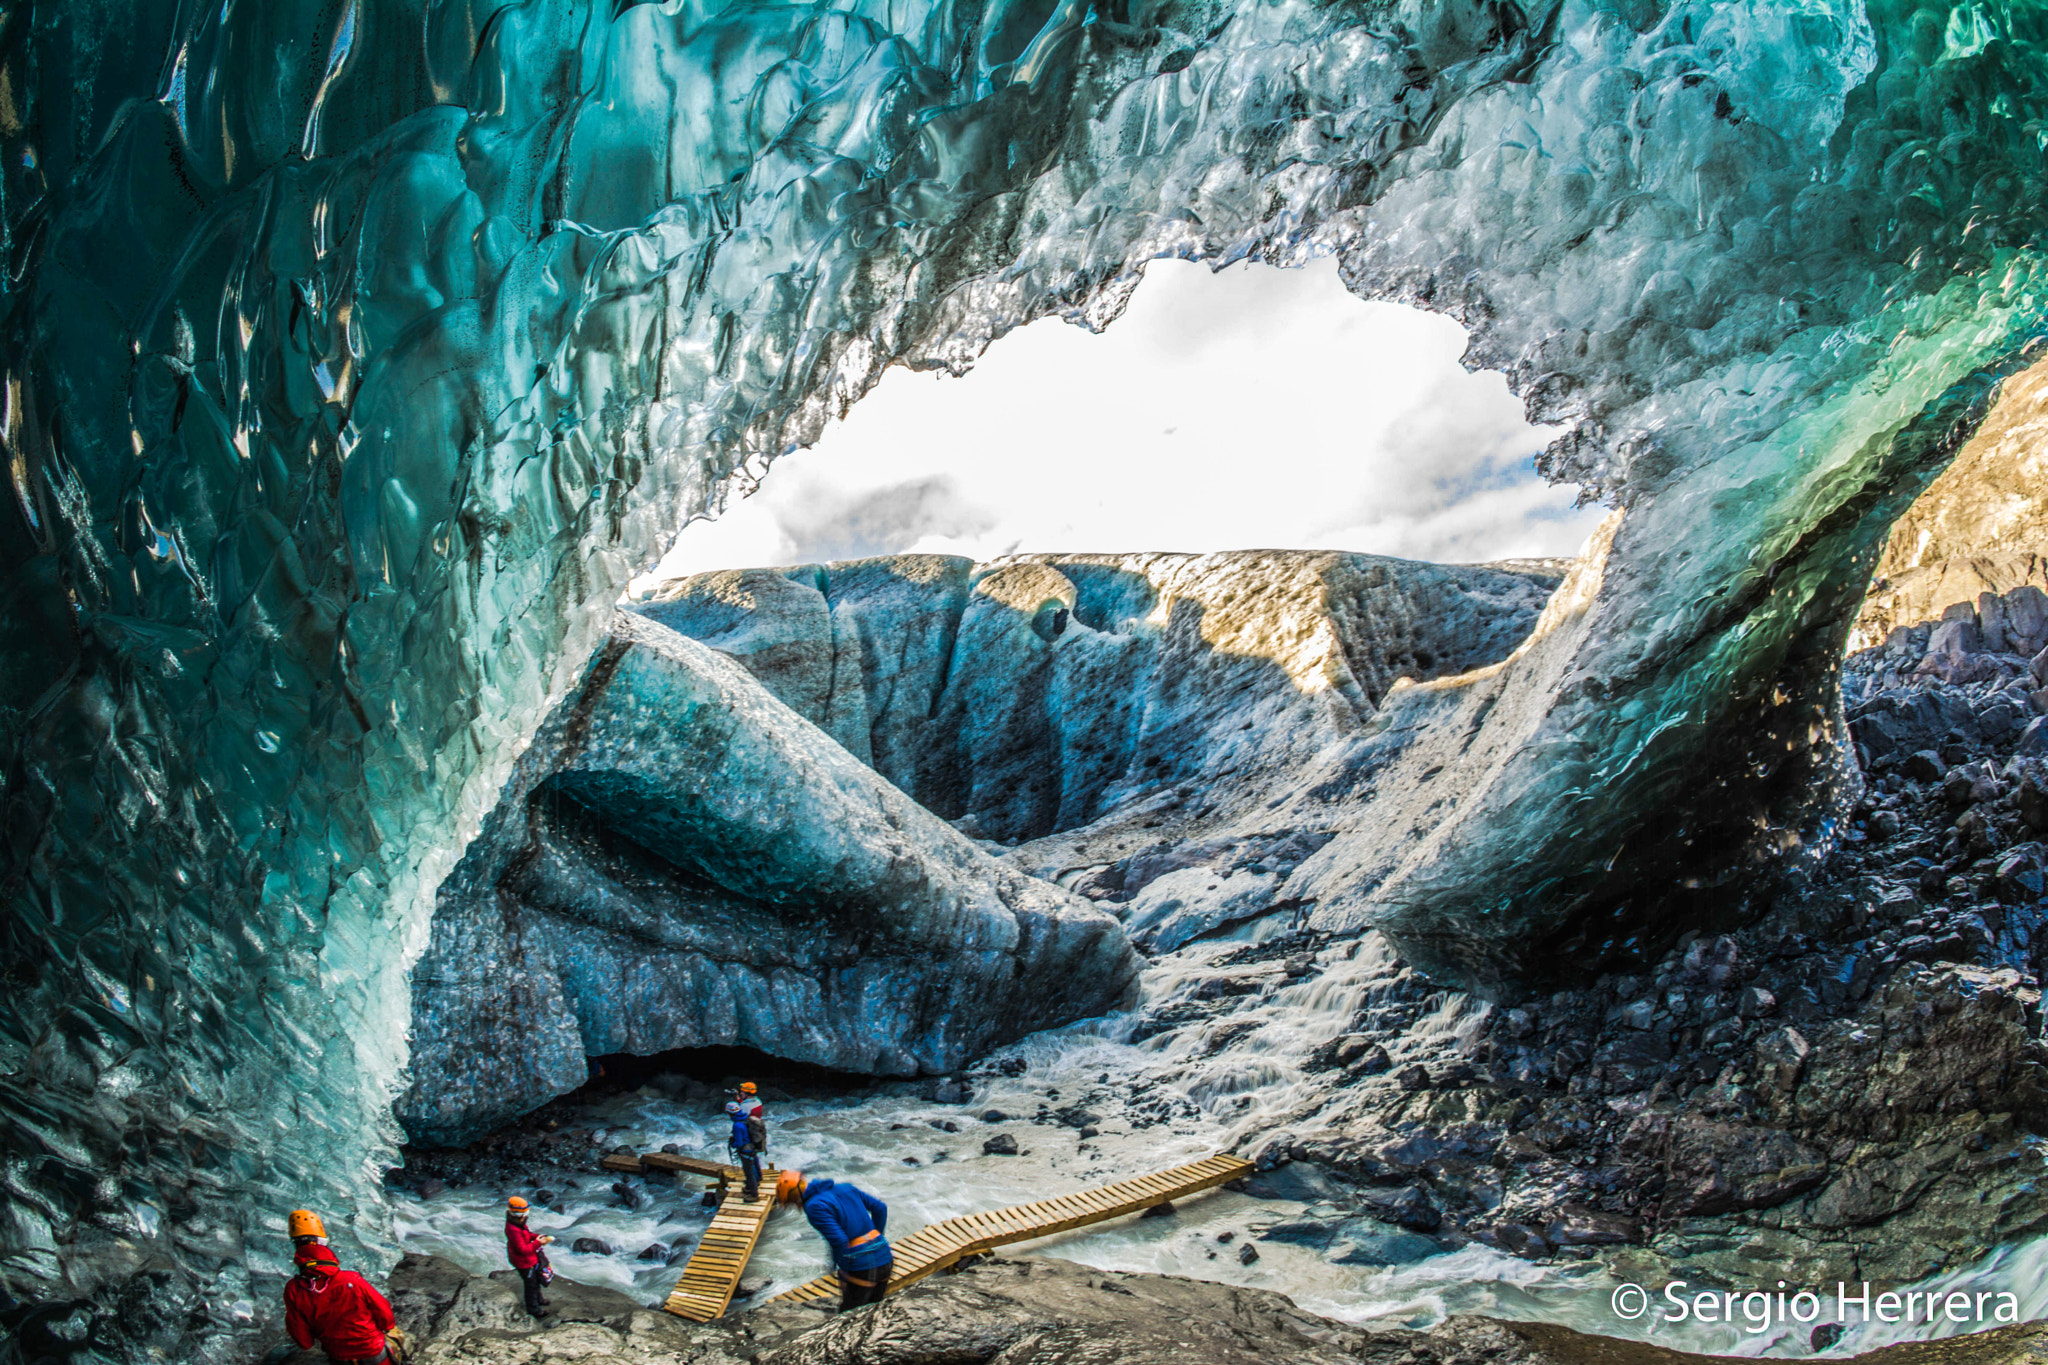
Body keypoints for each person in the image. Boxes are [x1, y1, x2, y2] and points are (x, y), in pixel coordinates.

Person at [281, 1212, 397, 1364]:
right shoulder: (351, 1279)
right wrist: (387, 1328)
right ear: (323, 1243)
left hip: (338, 1355)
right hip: (372, 1350)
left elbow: (304, 1341)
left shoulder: (294, 1289)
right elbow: (384, 1313)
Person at [776, 1170, 893, 1312]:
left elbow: (839, 1239)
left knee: (849, 1315)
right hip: (885, 1257)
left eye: (791, 1202)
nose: (794, 1206)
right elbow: (880, 1208)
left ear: (794, 1196)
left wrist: (842, 1268)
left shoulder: (814, 1206)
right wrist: (877, 1237)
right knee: (874, 1310)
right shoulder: (846, 1187)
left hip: (862, 1267)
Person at [504, 1195, 555, 1318]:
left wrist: (536, 1237)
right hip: (523, 1262)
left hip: (528, 1260)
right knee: (530, 1285)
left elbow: (526, 1235)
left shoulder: (517, 1224)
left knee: (536, 1280)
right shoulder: (514, 1229)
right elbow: (523, 1249)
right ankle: (534, 1309)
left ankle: (539, 1299)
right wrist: (538, 1243)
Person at [726, 1100, 763, 1202]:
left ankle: (754, 1195)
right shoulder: (746, 1118)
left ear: (730, 1113)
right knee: (754, 1166)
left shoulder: (737, 1125)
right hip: (753, 1148)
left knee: (749, 1173)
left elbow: (739, 1143)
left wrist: (732, 1144)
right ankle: (753, 1183)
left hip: (746, 1151)